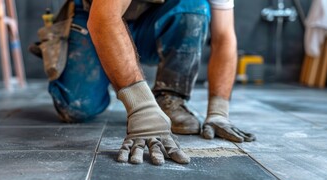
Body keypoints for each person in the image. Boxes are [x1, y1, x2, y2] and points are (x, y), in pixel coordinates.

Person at [44, 0, 256, 165]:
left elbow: (225, 37)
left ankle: (169, 98)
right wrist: (141, 108)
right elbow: (103, 19)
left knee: (195, 6)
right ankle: (96, 60)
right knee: (78, 107)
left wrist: (219, 112)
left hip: (153, 25)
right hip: (94, 15)